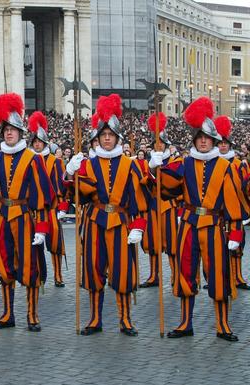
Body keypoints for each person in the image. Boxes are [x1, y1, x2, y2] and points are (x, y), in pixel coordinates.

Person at [153, 97, 248, 341]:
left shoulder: (226, 168)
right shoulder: (184, 163)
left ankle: (222, 325)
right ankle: (186, 323)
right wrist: (156, 168)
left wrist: (236, 233)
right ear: (194, 140)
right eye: (199, 138)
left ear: (215, 141)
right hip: (188, 226)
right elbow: (167, 188)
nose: (203, 141)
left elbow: (233, 204)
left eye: (207, 138)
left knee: (218, 276)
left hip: (215, 228)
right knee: (185, 273)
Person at [65, 94, 148, 336]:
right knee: (93, 270)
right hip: (94, 222)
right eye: (103, 135)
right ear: (98, 139)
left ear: (117, 138)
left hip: (121, 222)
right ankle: (95, 319)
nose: (107, 138)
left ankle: (125, 319)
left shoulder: (129, 164)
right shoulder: (88, 164)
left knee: (123, 272)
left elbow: (139, 200)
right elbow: (75, 196)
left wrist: (139, 226)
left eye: (111, 135)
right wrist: (71, 174)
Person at [0, 93, 54, 331]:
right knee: (3, 264)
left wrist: (42, 228)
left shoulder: (33, 159)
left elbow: (43, 197)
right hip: (4, 217)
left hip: (26, 218)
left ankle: (32, 314)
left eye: (13, 129)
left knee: (30, 266)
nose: (9, 133)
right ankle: (8, 313)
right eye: (6, 129)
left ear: (21, 133)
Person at [139, 113, 179, 289]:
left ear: (167, 145)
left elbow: (178, 184)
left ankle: (175, 275)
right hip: (153, 205)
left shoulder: (174, 161)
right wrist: (151, 170)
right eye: (156, 143)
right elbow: (143, 185)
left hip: (170, 206)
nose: (159, 145)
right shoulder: (147, 163)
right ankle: (154, 275)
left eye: (162, 143)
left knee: (172, 244)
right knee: (152, 243)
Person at [28, 111, 68, 287]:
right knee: (36, 245)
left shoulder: (55, 161)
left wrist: (63, 207)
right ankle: (39, 275)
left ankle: (58, 275)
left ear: (44, 143)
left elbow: (61, 185)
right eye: (34, 142)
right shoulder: (28, 160)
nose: (37, 144)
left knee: (55, 245)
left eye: (39, 142)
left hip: (51, 209)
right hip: (35, 210)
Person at [214, 115, 250, 290]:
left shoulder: (239, 164)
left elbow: (246, 188)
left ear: (230, 145)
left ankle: (238, 278)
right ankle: (222, 278)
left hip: (235, 211)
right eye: (220, 142)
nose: (222, 145)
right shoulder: (212, 164)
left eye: (225, 143)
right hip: (218, 212)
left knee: (238, 246)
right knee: (219, 246)